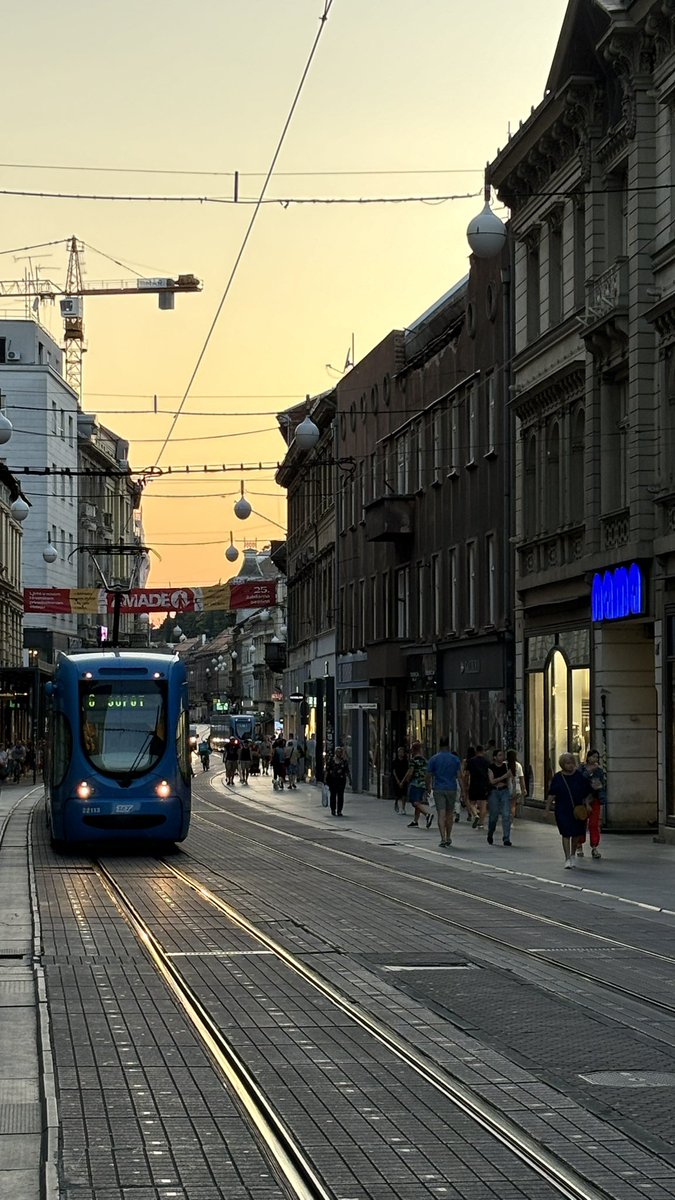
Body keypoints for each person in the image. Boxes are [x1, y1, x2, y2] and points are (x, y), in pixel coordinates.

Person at [546, 751, 594, 869]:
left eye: (572, 763)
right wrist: (546, 809)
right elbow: (551, 794)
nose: (570, 765)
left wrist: (587, 804)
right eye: (567, 763)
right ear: (563, 764)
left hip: (578, 809)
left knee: (576, 833)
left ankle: (573, 854)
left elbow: (587, 792)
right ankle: (567, 858)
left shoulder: (579, 777)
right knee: (566, 833)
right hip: (563, 809)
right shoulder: (558, 778)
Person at [426, 737, 462, 847]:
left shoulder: (434, 759)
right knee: (450, 814)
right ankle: (448, 836)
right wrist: (464, 790)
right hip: (452, 788)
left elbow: (428, 775)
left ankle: (442, 838)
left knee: (441, 814)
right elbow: (460, 776)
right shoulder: (455, 759)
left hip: (439, 788)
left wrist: (428, 787)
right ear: (448, 745)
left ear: (439, 745)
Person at [579, 749, 606, 859]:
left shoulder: (599, 771)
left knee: (594, 824)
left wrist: (599, 787)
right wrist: (589, 772)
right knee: (581, 822)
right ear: (588, 757)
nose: (595, 759)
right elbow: (580, 781)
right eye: (593, 757)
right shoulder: (582, 769)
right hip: (582, 800)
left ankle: (594, 846)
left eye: (597, 757)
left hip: (595, 798)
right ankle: (579, 844)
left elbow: (602, 784)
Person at [487, 748, 513, 846]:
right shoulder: (491, 767)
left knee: (506, 814)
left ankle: (506, 838)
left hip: (504, 791)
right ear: (494, 757)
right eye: (499, 755)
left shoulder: (506, 766)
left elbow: (511, 778)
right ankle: (490, 832)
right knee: (494, 815)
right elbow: (492, 781)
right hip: (494, 792)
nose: (502, 757)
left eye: (502, 755)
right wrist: (504, 776)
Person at [407, 741, 434, 830]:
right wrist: (429, 785)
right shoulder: (425, 761)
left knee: (415, 802)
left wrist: (408, 779)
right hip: (423, 784)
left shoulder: (414, 760)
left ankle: (427, 814)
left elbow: (411, 772)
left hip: (415, 783)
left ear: (413, 750)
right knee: (418, 801)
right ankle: (415, 821)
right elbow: (428, 773)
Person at [466, 745, 491, 829]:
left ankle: (475, 814)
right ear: (483, 751)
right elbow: (489, 773)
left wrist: (466, 784)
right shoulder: (487, 761)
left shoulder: (471, 761)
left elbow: (467, 774)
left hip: (473, 783)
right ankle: (481, 823)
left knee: (471, 803)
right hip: (484, 784)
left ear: (476, 751)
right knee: (483, 805)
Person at [325, 745, 351, 815]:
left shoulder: (344, 762)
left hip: (341, 781)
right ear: (335, 753)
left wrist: (350, 779)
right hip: (332, 781)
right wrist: (325, 779)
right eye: (338, 752)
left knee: (340, 795)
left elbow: (347, 771)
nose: (339, 753)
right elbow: (327, 770)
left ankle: (339, 810)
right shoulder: (331, 761)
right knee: (333, 795)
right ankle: (333, 809)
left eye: (340, 752)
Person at [506, 748, 527, 819]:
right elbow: (521, 778)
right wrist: (524, 788)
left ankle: (507, 818)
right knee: (513, 805)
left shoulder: (504, 764)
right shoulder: (518, 765)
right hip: (516, 788)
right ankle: (511, 820)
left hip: (506, 787)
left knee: (506, 805)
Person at [391, 746, 410, 815]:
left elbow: (408, 771)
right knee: (397, 793)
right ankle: (396, 802)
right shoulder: (395, 761)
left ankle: (403, 808)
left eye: (402, 752)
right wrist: (398, 780)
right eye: (400, 752)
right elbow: (394, 771)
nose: (401, 753)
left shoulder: (406, 761)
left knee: (404, 794)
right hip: (397, 779)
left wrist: (403, 780)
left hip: (403, 778)